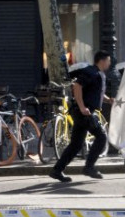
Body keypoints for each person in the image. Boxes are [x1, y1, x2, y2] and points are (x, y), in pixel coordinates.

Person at [49, 51, 114, 182]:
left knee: (76, 144)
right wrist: (82, 107)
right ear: (102, 61)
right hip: (85, 112)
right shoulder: (91, 72)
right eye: (108, 60)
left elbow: (94, 91)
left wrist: (108, 100)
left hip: (84, 112)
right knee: (101, 137)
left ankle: (57, 170)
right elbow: (77, 87)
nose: (109, 63)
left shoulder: (98, 74)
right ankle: (89, 167)